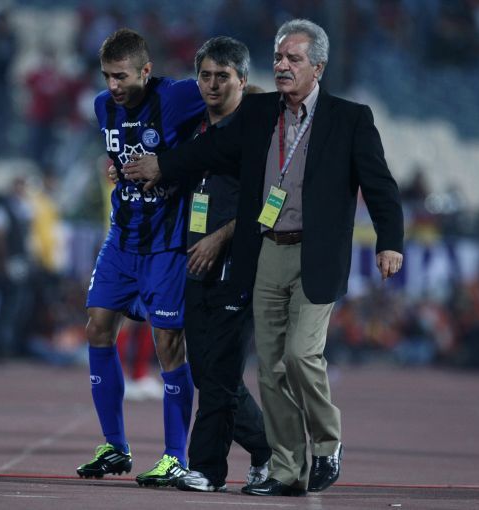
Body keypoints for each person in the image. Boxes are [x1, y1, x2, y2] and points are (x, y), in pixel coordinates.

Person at [123, 19, 404, 497]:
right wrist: (161, 165)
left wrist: (389, 241)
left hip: (316, 254)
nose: (282, 65)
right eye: (278, 57)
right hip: (267, 248)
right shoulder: (258, 112)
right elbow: (210, 149)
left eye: (294, 58)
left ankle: (327, 442)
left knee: (300, 354)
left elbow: (380, 185)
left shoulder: (350, 118)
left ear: (318, 67)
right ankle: (287, 469)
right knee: (271, 366)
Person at [76, 28, 205, 487]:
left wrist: (176, 163)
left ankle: (175, 456)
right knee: (97, 325)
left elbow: (229, 98)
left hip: (167, 244)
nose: (113, 85)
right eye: (107, 76)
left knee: (168, 343)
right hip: (122, 238)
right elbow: (119, 152)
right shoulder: (102, 107)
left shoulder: (176, 97)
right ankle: (115, 445)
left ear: (146, 71)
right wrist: (117, 167)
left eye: (122, 76)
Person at [173, 37, 272, 493]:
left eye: (223, 77)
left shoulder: (258, 134)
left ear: (242, 80)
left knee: (221, 373)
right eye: (206, 76)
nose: (212, 85)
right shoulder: (197, 130)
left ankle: (207, 469)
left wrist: (220, 237)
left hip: (238, 263)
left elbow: (269, 202)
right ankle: (270, 447)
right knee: (205, 372)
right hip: (196, 262)